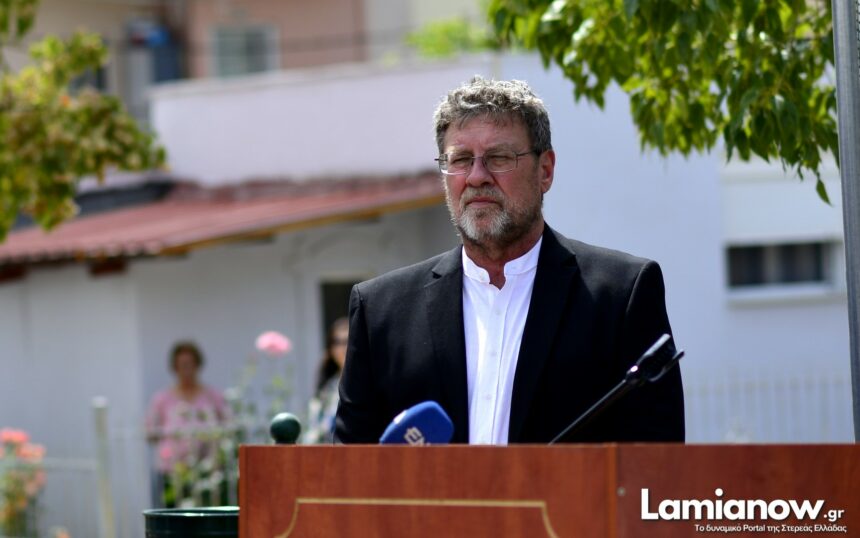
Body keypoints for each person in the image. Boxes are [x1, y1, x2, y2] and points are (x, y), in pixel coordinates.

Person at [335, 77, 684, 444]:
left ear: (545, 170)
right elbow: (347, 465)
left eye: (499, 158)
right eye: (460, 160)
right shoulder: (381, 311)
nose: (476, 177)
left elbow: (656, 460)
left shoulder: (620, 296)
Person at [145, 341, 229, 506]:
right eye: (182, 365)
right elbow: (150, 432)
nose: (186, 369)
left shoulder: (212, 396)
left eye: (190, 364)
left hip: (205, 472)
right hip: (171, 472)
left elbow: (227, 426)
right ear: (175, 367)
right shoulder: (162, 399)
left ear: (198, 365)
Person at [303, 318, 349, 444]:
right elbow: (313, 429)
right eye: (337, 342)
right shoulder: (326, 388)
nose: (343, 347)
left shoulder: (369, 382)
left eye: (347, 341)